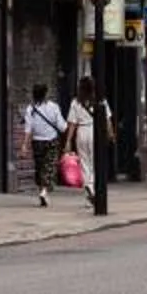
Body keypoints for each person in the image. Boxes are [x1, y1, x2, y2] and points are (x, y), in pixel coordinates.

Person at [22, 83, 68, 206]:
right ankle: (44, 190)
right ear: (46, 93)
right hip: (51, 141)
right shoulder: (53, 107)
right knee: (49, 167)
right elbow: (62, 126)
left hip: (36, 142)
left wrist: (25, 145)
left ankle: (42, 190)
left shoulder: (30, 109)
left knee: (39, 167)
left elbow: (28, 129)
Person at [64, 77, 102, 211]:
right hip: (95, 130)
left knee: (85, 163)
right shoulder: (99, 99)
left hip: (81, 131)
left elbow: (72, 123)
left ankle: (88, 191)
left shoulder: (76, 102)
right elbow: (107, 118)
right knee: (95, 163)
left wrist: (68, 141)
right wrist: (110, 133)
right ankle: (94, 189)